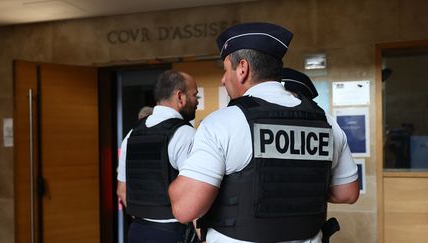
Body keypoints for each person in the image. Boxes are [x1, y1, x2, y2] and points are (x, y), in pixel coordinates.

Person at [168, 22, 359, 243]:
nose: (223, 79)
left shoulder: (222, 123)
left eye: (225, 69)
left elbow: (185, 209)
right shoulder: (327, 123)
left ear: (242, 69)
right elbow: (347, 193)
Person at [117, 70, 199, 243]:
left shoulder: (132, 134)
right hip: (173, 234)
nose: (196, 102)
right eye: (194, 95)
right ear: (180, 97)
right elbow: (196, 198)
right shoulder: (186, 134)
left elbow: (122, 191)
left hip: (137, 232)